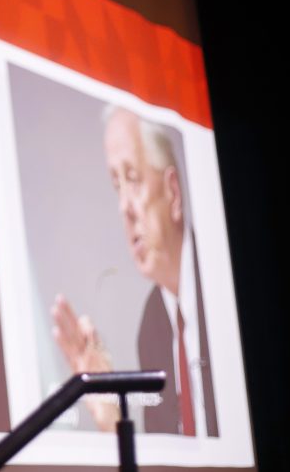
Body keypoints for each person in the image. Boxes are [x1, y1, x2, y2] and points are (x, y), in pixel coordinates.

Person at [52, 106, 218, 436]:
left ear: (172, 191)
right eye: (117, 186)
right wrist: (112, 418)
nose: (124, 207)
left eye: (133, 179)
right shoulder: (152, 326)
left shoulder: (221, 291)